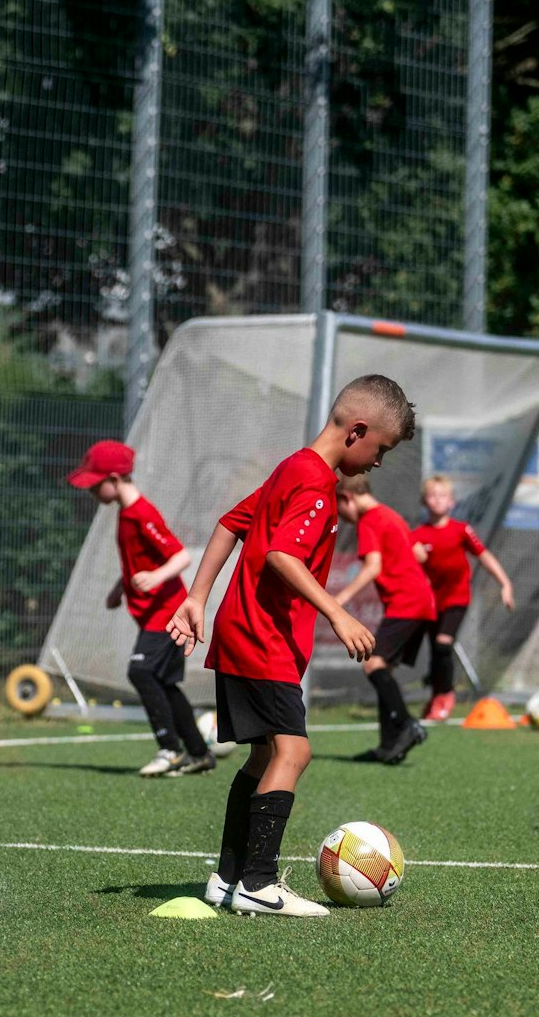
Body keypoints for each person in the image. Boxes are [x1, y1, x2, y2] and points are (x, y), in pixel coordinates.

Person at [168, 374, 412, 917]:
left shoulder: (290, 467)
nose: (378, 463)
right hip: (264, 637)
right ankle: (259, 881)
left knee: (263, 756)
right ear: (358, 431)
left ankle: (228, 879)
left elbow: (229, 525)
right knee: (294, 751)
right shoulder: (316, 482)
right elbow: (282, 555)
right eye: (381, 450)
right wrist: (338, 612)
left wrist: (197, 598)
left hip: (241, 630)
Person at [64, 439, 213, 777]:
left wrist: (156, 576)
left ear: (115, 479)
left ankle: (170, 749)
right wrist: (121, 587)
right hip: (153, 614)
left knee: (140, 672)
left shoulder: (141, 513)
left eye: (95, 484)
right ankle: (199, 754)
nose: (91, 492)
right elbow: (137, 561)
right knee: (164, 683)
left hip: (169, 614)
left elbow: (180, 556)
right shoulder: (126, 513)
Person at [333, 474, 436, 764]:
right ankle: (388, 747)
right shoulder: (392, 515)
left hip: (406, 602)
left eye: (340, 509)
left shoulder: (368, 520)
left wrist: (341, 599)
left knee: (373, 665)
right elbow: (420, 555)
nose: (344, 517)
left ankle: (406, 724)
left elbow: (373, 567)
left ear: (348, 498)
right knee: (383, 669)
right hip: (423, 600)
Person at [410, 474, 515, 721]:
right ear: (424, 501)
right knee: (436, 652)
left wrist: (505, 583)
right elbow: (408, 565)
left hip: (457, 598)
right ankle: (436, 696)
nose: (437, 500)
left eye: (443, 495)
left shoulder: (461, 530)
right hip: (432, 603)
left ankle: (446, 695)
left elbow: (484, 556)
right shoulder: (418, 535)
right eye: (432, 496)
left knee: (444, 643)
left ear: (452, 502)